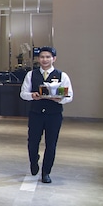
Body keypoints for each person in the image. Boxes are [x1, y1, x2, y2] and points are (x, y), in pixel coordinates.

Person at [19, 46, 73, 183]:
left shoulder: (62, 75)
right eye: (42, 57)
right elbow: (23, 94)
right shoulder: (31, 75)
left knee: (51, 144)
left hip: (54, 115)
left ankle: (46, 172)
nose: (45, 59)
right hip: (36, 114)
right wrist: (32, 95)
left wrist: (59, 99)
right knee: (32, 142)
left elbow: (69, 96)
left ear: (54, 59)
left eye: (48, 57)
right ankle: (33, 161)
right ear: (38, 59)